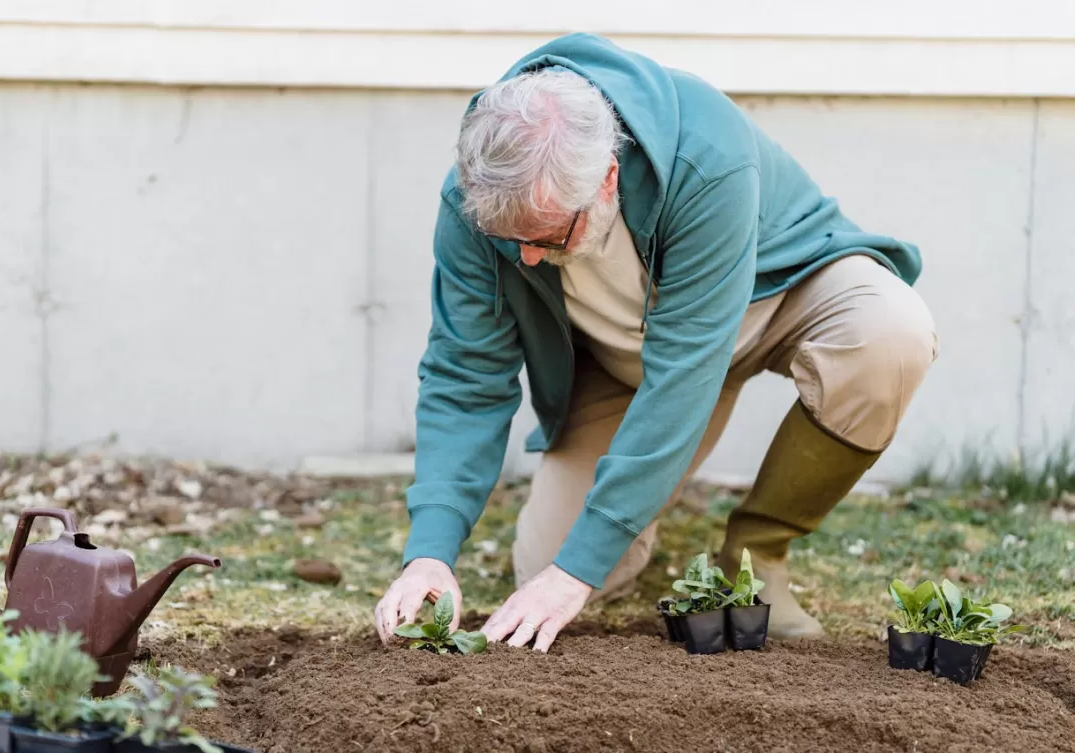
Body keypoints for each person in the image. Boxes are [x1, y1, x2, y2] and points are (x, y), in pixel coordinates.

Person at [374, 33, 938, 652]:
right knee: (544, 569)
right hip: (628, 362)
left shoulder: (706, 155)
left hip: (774, 296)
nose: (528, 257)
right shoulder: (477, 201)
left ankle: (758, 549)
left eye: (546, 237)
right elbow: (465, 374)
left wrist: (577, 572)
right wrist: (428, 552)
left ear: (608, 178)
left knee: (891, 334)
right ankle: (637, 506)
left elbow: (684, 373)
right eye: (512, 242)